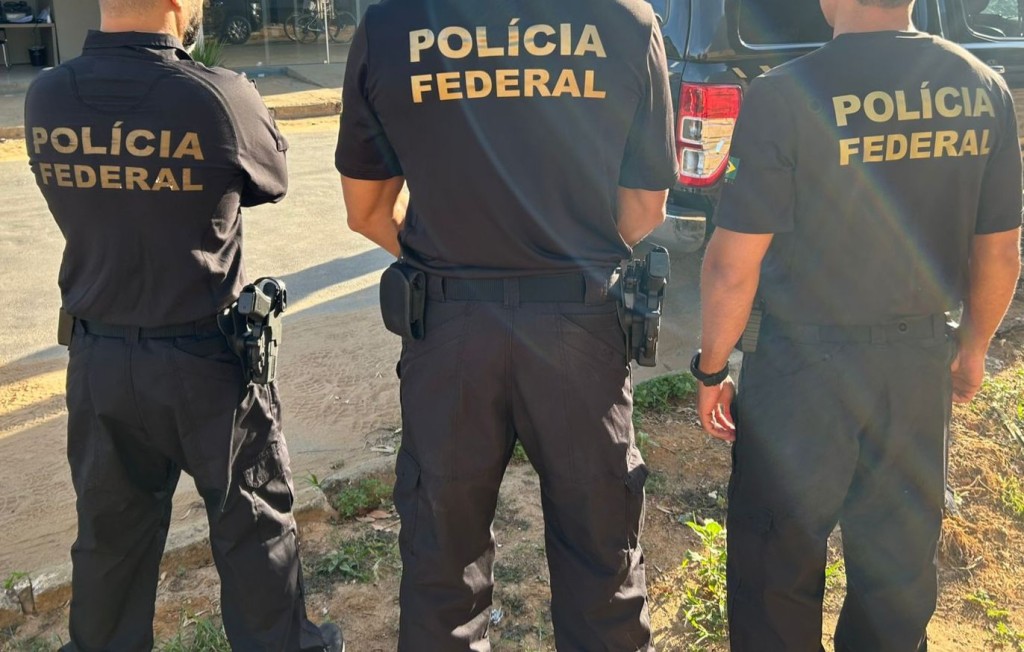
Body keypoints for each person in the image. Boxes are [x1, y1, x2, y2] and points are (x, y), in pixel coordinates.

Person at [336, 0, 677, 648]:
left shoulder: (390, 24)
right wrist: (567, 259)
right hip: (579, 324)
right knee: (602, 559)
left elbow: (365, 210)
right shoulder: (626, 21)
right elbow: (644, 206)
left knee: (442, 567)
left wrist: (451, 260)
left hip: (450, 325)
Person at [692, 0, 1023, 649]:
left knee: (775, 561)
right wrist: (973, 347)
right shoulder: (982, 88)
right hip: (916, 362)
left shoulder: (784, 95)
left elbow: (732, 265)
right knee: (897, 570)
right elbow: (1000, 253)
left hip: (801, 369)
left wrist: (711, 367)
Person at [24, 1, 342, 650]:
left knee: (110, 544)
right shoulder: (218, 95)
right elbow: (271, 180)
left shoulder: (46, 96)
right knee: (254, 530)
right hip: (206, 361)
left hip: (98, 361)